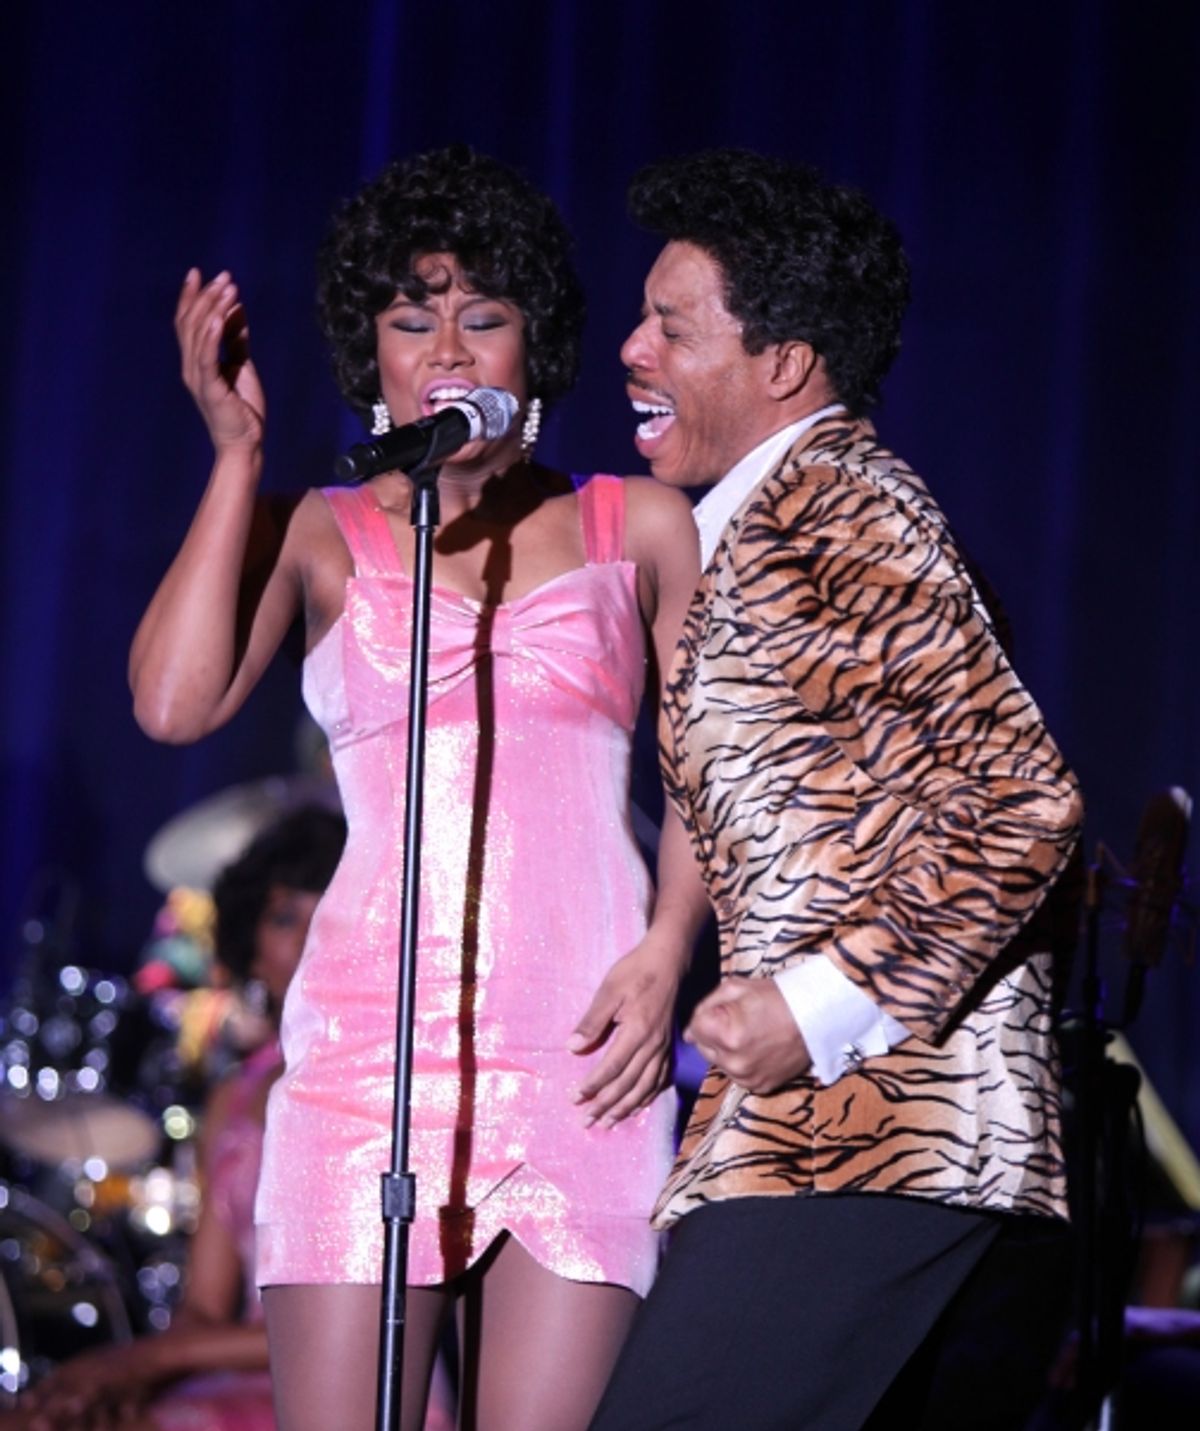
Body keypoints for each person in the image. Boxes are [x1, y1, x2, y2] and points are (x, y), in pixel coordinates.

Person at [128, 145, 703, 1431]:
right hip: (364, 1066)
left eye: (483, 317)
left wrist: (670, 950)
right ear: (372, 353)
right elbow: (172, 704)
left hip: (583, 1060)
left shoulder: (642, 525)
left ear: (531, 346)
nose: (449, 347)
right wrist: (235, 458)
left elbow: (712, 778)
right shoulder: (318, 530)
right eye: (411, 318)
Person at [589, 148, 1086, 1431]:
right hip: (849, 1137)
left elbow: (1023, 800)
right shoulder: (758, 527)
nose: (631, 346)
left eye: (672, 325)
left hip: (877, 1132)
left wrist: (821, 1003)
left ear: (784, 363)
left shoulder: (839, 508)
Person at [5, 806, 345, 1431]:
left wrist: (142, 1361)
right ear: (248, 946)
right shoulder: (233, 1099)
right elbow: (206, 1306)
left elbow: (360, 1322)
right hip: (235, 1380)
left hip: (339, 1384)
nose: (308, 938)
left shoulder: (369, 1084)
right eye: (283, 917)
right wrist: (135, 1378)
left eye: (327, 911)